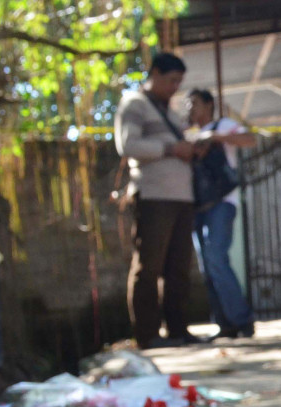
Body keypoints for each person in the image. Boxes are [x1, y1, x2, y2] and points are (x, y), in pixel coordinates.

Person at [115, 52, 206, 349]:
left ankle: (178, 330)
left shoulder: (170, 112)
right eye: (171, 80)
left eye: (179, 82)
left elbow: (179, 145)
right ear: (153, 73)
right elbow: (127, 144)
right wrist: (171, 149)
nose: (174, 87)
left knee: (179, 267)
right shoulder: (134, 104)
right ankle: (148, 334)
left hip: (182, 196)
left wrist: (192, 147)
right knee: (149, 266)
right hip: (154, 195)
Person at [186, 88, 257, 339]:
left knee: (216, 256)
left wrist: (215, 137)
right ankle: (225, 324)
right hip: (198, 206)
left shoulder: (223, 125)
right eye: (188, 104)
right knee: (207, 266)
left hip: (223, 202)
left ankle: (242, 319)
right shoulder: (188, 134)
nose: (190, 109)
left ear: (209, 105)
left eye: (194, 103)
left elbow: (250, 139)